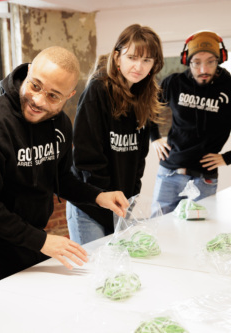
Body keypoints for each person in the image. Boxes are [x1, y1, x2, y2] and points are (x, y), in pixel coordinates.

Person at [0, 46, 130, 292]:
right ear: (28, 72)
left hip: (31, 237)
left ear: (69, 95)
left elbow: (61, 178)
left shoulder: (60, 124)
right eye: (35, 86)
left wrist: (98, 196)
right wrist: (42, 241)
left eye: (53, 96)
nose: (38, 101)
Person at [150, 30, 231, 214]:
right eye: (197, 62)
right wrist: (154, 137)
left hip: (204, 179)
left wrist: (228, 157)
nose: (203, 69)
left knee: (201, 233)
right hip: (168, 174)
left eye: (210, 61)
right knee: (158, 226)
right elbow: (147, 106)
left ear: (220, 60)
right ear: (187, 60)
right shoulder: (174, 83)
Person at [67, 24, 164, 245]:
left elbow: (139, 156)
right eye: (132, 57)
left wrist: (131, 196)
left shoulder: (143, 96)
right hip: (90, 205)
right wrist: (106, 198)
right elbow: (87, 155)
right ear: (117, 57)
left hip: (120, 205)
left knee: (116, 267)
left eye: (147, 60)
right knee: (94, 271)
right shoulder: (98, 90)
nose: (138, 66)